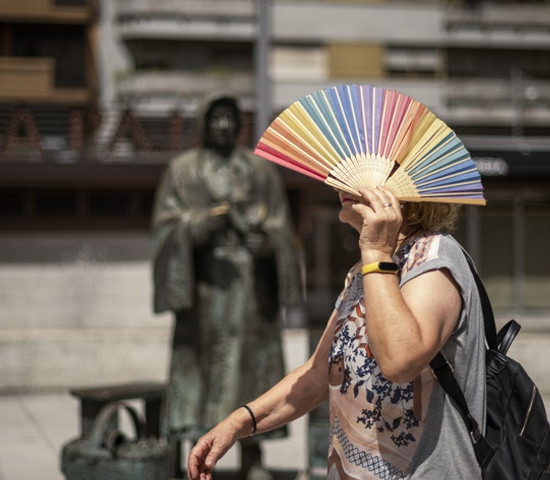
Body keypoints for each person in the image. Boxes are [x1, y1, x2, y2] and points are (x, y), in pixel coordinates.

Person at [188, 186, 487, 479]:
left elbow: (400, 362)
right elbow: (319, 373)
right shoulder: (363, 271)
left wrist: (375, 252)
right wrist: (237, 423)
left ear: (403, 189)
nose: (343, 184)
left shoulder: (434, 256)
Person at [151, 94, 303, 480]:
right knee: (198, 370)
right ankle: (196, 455)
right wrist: (198, 227)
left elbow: (283, 228)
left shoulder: (261, 172)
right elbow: (165, 228)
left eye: (229, 118)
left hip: (251, 289)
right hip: (204, 288)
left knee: (254, 372)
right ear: (203, 124)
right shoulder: (182, 171)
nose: (223, 126)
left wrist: (268, 244)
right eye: (215, 118)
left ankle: (253, 457)